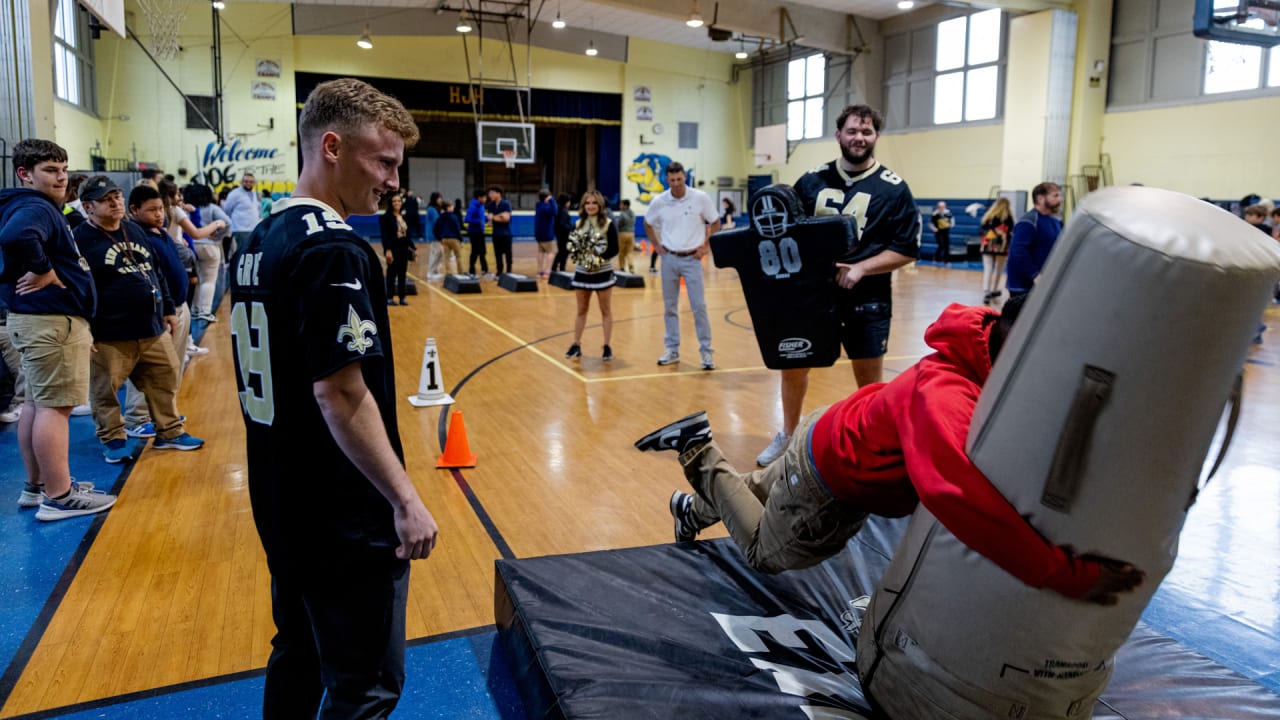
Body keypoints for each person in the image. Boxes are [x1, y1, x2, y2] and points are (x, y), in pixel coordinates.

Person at [635, 298, 1146, 606]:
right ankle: (698, 448)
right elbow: (962, 502)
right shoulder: (945, 398)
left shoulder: (986, 337)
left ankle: (689, 510)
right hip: (828, 480)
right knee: (768, 553)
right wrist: (1068, 575)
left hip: (834, 433)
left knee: (762, 493)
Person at [228, 77, 438, 718]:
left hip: (281, 496)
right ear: (331, 147)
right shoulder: (333, 248)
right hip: (341, 512)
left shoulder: (261, 240)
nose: (393, 181)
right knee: (365, 686)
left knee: (297, 649)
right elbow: (341, 395)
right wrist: (405, 499)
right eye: (384, 162)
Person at [757, 104, 921, 467]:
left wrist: (863, 267)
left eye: (866, 132)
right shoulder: (811, 182)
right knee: (794, 364)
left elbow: (907, 249)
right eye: (851, 131)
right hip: (813, 298)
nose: (858, 138)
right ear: (838, 135)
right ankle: (787, 435)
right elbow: (787, 234)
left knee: (868, 379)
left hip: (868, 298)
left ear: (876, 136)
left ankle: (871, 443)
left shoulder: (894, 190)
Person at [0, 139, 114, 520]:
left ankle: (38, 488)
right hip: (51, 321)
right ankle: (59, 496)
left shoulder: (21, 203)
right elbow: (16, 237)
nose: (61, 177)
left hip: (33, 320)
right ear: (25, 173)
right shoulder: (36, 207)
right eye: (50, 170)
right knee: (55, 409)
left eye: (64, 169)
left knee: (35, 405)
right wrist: (45, 270)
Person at [75, 176, 204, 463]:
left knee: (166, 377)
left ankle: (169, 432)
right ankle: (113, 439)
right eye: (106, 199)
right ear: (87, 206)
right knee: (105, 390)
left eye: (117, 196)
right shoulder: (79, 238)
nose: (115, 202)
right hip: (109, 332)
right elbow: (75, 285)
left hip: (151, 326)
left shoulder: (133, 229)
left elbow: (154, 270)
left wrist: (168, 307)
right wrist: (85, 328)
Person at [643, 161, 720, 370]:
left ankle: (706, 352)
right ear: (667, 180)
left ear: (684, 177)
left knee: (699, 307)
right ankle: (672, 349)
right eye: (672, 180)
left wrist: (706, 248)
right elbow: (647, 223)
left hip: (692, 260)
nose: (676, 183)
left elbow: (715, 222)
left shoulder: (700, 198)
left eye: (679, 179)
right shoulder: (660, 201)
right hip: (669, 258)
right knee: (669, 307)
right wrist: (656, 245)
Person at [564, 190, 620, 361]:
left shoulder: (609, 224)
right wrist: (582, 258)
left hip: (602, 272)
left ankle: (606, 346)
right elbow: (572, 246)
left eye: (594, 203)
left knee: (605, 310)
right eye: (587, 203)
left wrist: (596, 259)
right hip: (582, 273)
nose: (590, 206)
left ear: (600, 205)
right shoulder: (578, 224)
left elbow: (614, 248)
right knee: (581, 310)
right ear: (583, 206)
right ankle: (576, 344)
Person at [179, 182, 231, 324]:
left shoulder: (184, 210)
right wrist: (218, 236)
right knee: (209, 279)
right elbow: (227, 222)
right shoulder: (212, 208)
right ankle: (205, 311)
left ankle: (194, 310)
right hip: (210, 247)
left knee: (196, 279)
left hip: (189, 247)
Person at [1006, 181, 1063, 298]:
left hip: (1043, 283)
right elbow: (1018, 251)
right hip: (1023, 285)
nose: (1060, 200)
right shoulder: (1028, 221)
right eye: (1055, 196)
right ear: (1041, 199)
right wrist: (1035, 275)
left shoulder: (1056, 222)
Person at [380, 192, 416, 305]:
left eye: (399, 201)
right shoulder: (386, 217)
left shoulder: (403, 217)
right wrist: (388, 250)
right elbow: (385, 235)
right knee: (391, 274)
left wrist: (414, 248)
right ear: (391, 203)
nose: (397, 203)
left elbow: (407, 235)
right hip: (393, 249)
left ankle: (402, 297)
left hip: (403, 249)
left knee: (402, 274)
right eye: (394, 201)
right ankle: (389, 297)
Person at [979, 197, 1013, 303]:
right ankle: (994, 289)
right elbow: (1011, 231)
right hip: (1001, 245)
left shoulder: (989, 216)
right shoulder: (1008, 217)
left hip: (988, 244)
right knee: (999, 268)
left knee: (988, 268)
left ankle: (986, 290)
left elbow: (981, 230)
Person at [222, 172, 260, 259]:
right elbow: (227, 209)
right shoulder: (235, 194)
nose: (248, 183)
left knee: (250, 252)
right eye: (246, 181)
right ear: (241, 182)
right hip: (241, 229)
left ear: (254, 183)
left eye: (251, 182)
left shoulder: (254, 193)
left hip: (253, 228)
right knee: (243, 252)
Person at [487, 186, 514, 275]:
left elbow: (506, 218)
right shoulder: (491, 205)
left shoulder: (506, 204)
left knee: (508, 253)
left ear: (498, 193)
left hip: (506, 234)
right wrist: (500, 216)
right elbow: (489, 220)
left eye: (492, 193)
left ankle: (509, 271)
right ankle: (499, 271)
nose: (490, 195)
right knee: (497, 254)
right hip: (496, 234)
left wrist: (494, 217)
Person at [433, 199, 465, 274]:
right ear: (448, 208)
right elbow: (458, 228)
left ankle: (448, 273)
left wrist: (439, 238)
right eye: (451, 206)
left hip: (444, 239)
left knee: (446, 257)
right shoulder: (454, 217)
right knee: (458, 256)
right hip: (454, 239)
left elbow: (435, 229)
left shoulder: (440, 217)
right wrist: (461, 239)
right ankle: (460, 272)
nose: (453, 207)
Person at [464, 189, 489, 277]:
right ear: (479, 198)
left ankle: (484, 270)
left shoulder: (481, 205)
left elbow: (482, 217)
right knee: (475, 251)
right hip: (474, 232)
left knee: (483, 251)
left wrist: (486, 219)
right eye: (484, 197)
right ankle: (472, 271)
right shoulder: (473, 206)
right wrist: (479, 221)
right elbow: (466, 219)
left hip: (480, 231)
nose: (486, 199)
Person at [534, 189, 558, 278]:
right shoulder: (545, 207)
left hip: (538, 232)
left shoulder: (538, 205)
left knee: (541, 251)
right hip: (546, 232)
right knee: (551, 251)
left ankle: (539, 271)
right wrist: (552, 200)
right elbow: (554, 212)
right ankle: (547, 271)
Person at [419, 191, 443, 279]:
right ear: (435, 199)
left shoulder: (436, 208)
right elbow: (437, 222)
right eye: (439, 198)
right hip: (433, 234)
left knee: (439, 253)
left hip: (437, 234)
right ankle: (430, 272)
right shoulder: (431, 209)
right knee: (435, 253)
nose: (441, 200)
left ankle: (435, 271)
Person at [552, 192, 573, 273]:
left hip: (559, 235)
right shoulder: (563, 211)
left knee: (562, 251)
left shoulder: (558, 209)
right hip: (564, 235)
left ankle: (556, 267)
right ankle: (561, 268)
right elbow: (563, 224)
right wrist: (570, 228)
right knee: (564, 252)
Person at [615, 199, 636, 272]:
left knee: (621, 252)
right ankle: (631, 266)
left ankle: (622, 267)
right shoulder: (633, 213)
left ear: (625, 206)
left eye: (621, 204)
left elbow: (619, 224)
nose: (620, 206)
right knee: (629, 252)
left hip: (622, 234)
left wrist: (617, 222)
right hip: (631, 233)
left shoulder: (622, 214)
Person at [930, 200, 953, 264]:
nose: (941, 208)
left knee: (947, 245)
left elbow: (952, 221)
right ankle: (936, 258)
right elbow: (931, 223)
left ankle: (946, 260)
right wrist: (934, 229)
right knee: (941, 245)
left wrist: (950, 225)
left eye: (943, 206)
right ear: (938, 207)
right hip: (938, 232)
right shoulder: (935, 214)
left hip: (946, 231)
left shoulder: (948, 212)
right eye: (940, 206)